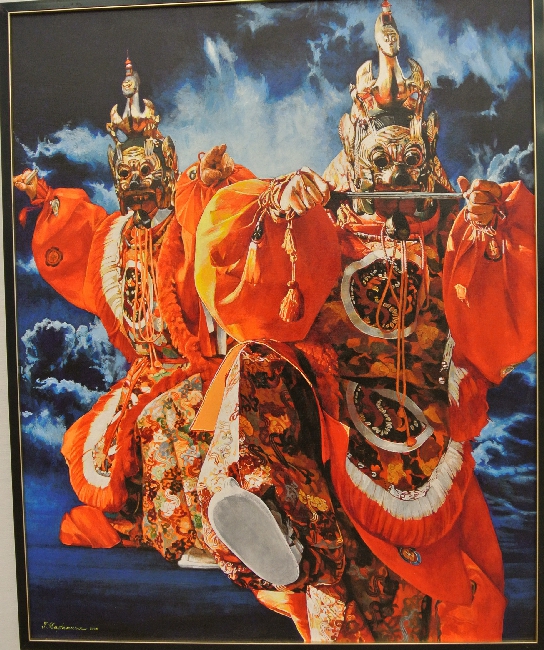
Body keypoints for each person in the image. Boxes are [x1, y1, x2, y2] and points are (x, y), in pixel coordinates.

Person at [190, 1, 536, 641]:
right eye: (382, 161)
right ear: (354, 151)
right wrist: (279, 207)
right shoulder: (321, 226)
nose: (396, 177)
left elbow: (500, 327)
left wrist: (497, 229)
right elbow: (248, 294)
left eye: (408, 163)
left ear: (426, 157)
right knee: (260, 362)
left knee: (410, 621)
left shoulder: (452, 239)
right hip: (332, 435)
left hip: (421, 446)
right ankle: (269, 513)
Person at [14, 57, 254, 567]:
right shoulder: (116, 235)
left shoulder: (185, 222)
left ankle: (200, 536)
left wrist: (214, 180)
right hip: (146, 370)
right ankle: (159, 525)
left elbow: (221, 219)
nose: (138, 181)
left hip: (198, 366)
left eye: (147, 170)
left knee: (165, 420)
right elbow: (80, 233)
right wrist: (46, 198)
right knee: (108, 436)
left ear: (166, 169)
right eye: (127, 173)